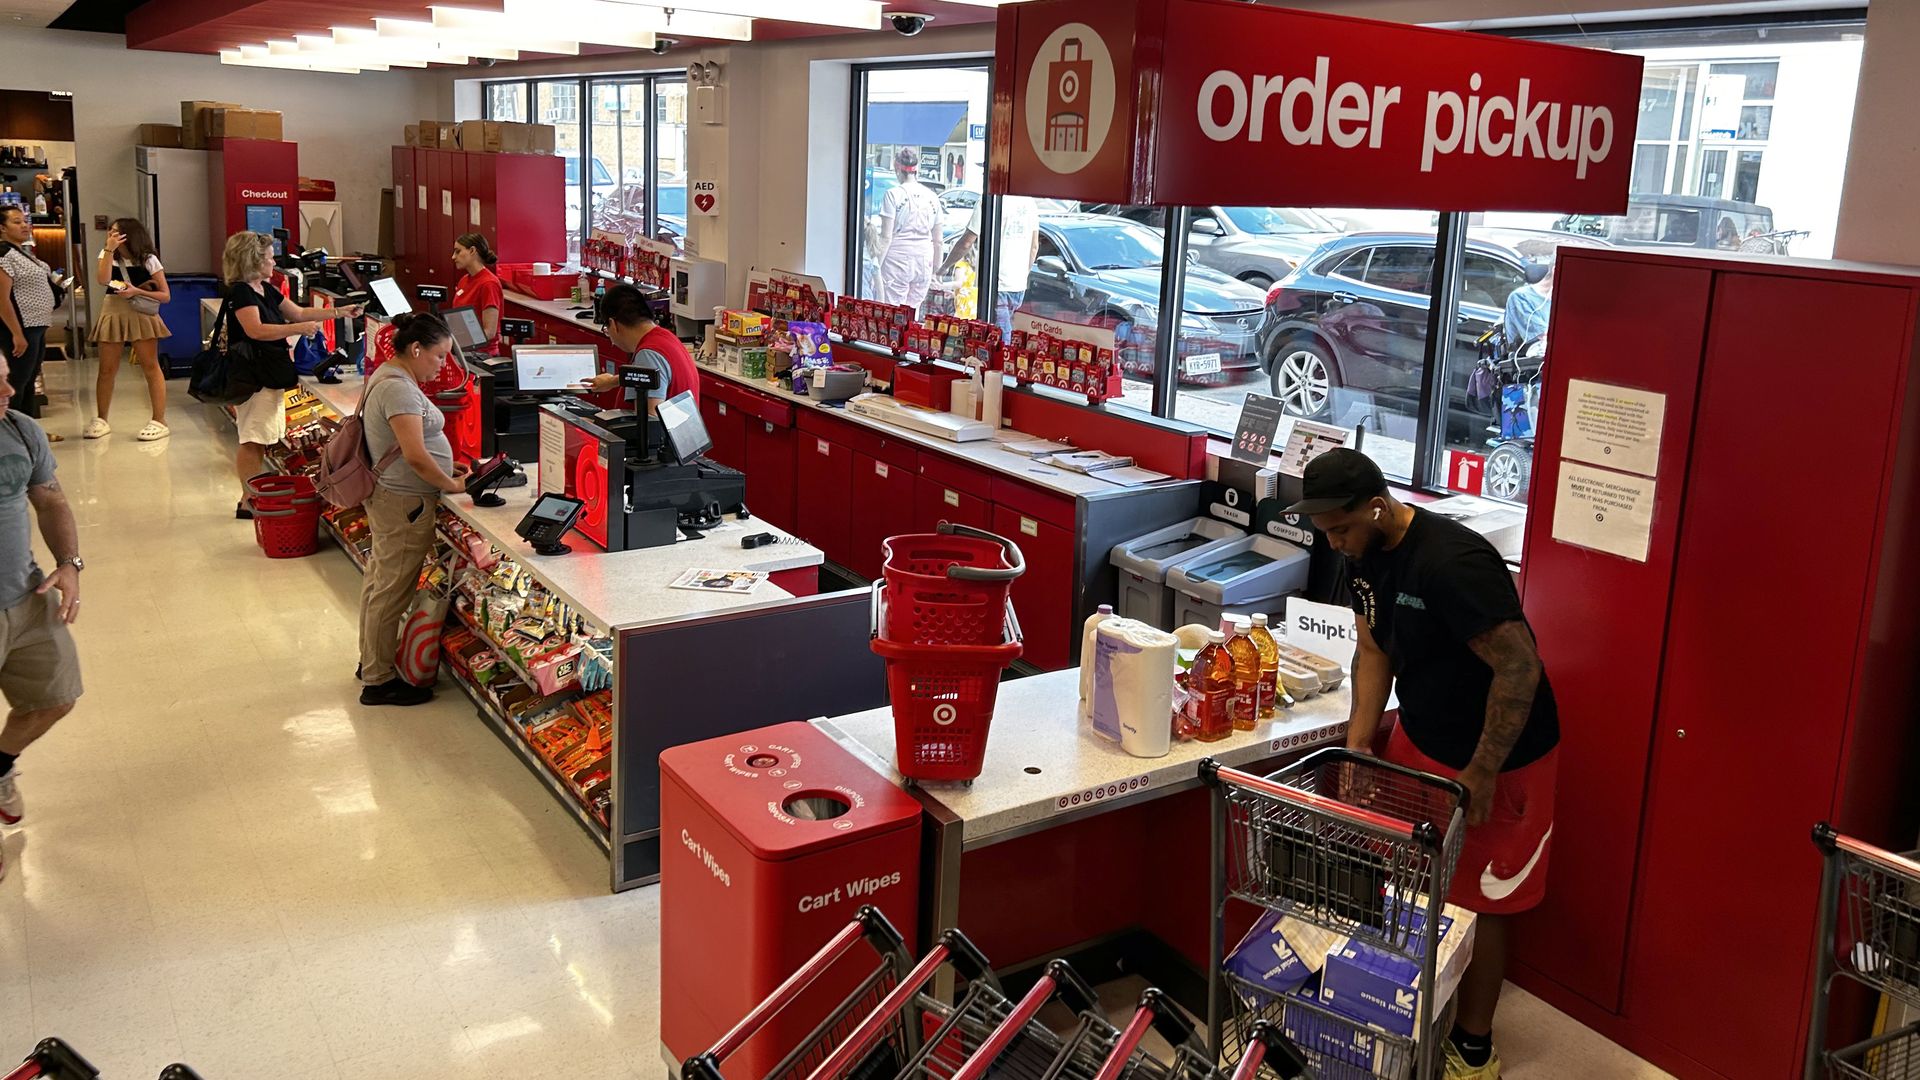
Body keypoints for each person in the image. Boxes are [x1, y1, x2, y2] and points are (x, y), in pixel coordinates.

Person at [1287, 449, 1559, 1080]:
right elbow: (1372, 647)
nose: (1337, 545)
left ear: (1376, 506)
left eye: (1341, 530)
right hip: (1423, 736)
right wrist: (1359, 747)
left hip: (1503, 756)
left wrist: (1483, 772)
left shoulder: (1452, 563)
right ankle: (1406, 1016)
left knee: (1477, 903)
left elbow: (1520, 667)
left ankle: (1474, 1047)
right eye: (1326, 533)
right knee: (1414, 885)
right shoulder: (1361, 555)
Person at [0, 350, 83, 882]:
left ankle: (0, 765)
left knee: (56, 698)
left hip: (26, 598)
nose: (10, 393)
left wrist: (69, 565)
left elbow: (50, 502)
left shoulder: (21, 430)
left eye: (6, 380)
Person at [357, 312, 469, 708]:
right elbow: (416, 455)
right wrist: (450, 483)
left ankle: (371, 661)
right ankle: (379, 680)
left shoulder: (389, 376)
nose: (442, 365)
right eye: (439, 357)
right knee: (391, 591)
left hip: (394, 496)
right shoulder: (399, 389)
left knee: (379, 583)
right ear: (416, 349)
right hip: (405, 501)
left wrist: (445, 466)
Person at [223, 231, 361, 519]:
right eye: (270, 258)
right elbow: (256, 330)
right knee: (251, 440)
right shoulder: (241, 292)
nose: (274, 263)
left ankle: (251, 496)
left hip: (268, 374)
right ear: (253, 260)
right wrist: (296, 330)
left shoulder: (264, 288)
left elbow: (298, 313)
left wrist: (340, 312)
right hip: (254, 376)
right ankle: (248, 499)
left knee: (259, 438)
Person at [86, 218, 172, 442]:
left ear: (129, 235)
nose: (111, 235)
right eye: (110, 231)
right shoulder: (107, 255)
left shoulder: (148, 259)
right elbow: (103, 279)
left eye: (116, 232)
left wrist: (136, 291)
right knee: (106, 368)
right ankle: (102, 418)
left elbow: (165, 295)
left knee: (150, 366)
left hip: (141, 312)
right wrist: (109, 251)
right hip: (112, 310)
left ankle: (159, 419)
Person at [575, 284, 697, 411]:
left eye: (606, 329)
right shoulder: (666, 338)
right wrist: (613, 381)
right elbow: (652, 376)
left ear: (613, 324)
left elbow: (650, 421)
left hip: (662, 431)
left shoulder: (647, 354)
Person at [939, 193, 1042, 336]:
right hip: (1018, 285)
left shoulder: (989, 200)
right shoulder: (1029, 202)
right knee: (1000, 334)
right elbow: (1034, 246)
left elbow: (967, 242)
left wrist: (944, 267)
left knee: (999, 337)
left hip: (995, 286)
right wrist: (1023, 275)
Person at [0, 206, 62, 438]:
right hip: (21, 328)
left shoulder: (20, 252)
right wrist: (16, 333)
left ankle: (29, 433)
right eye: (17, 222)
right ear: (2, 228)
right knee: (16, 383)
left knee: (27, 381)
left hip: (36, 326)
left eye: (25, 221)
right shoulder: (4, 255)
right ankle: (12, 436)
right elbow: (2, 299)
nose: (25, 225)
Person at [874, 148, 941, 313]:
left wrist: (876, 266)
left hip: (896, 261)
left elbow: (886, 237)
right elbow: (938, 241)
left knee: (893, 313)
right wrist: (936, 272)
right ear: (916, 169)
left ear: (897, 168)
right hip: (924, 260)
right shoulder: (932, 197)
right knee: (913, 312)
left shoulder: (893, 195)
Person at [451, 231, 504, 352]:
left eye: (458, 251)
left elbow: (489, 332)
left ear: (472, 251)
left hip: (481, 355)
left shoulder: (488, 284)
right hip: (463, 350)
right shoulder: (464, 280)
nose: (453, 257)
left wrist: (456, 344)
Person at [1502, 260, 1552, 352]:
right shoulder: (1520, 297)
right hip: (1529, 358)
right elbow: (1543, 335)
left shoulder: (1562, 298)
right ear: (1555, 270)